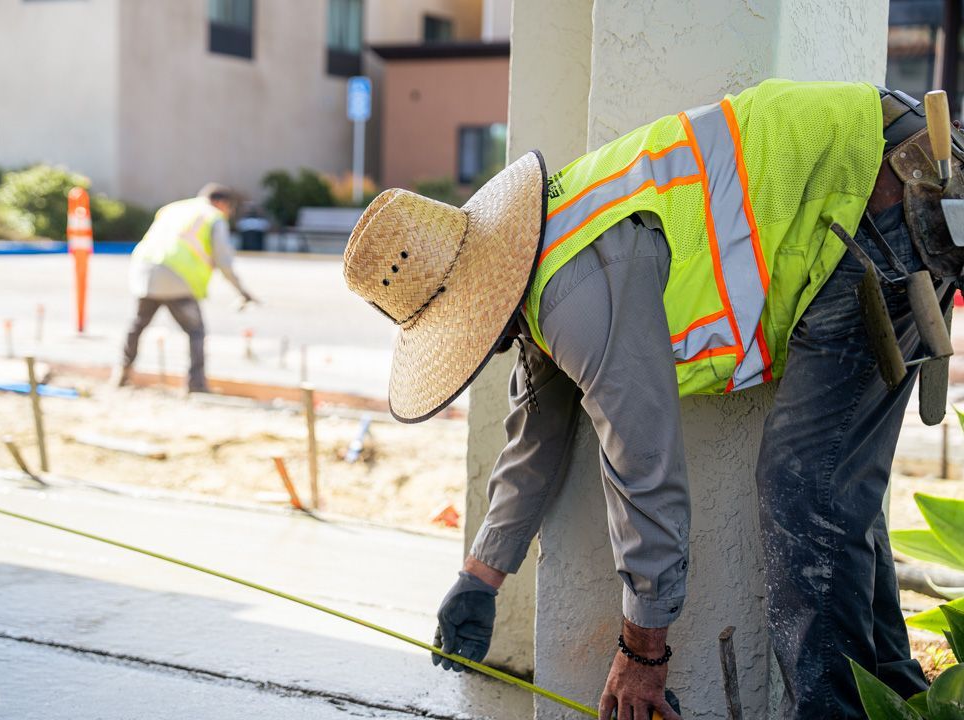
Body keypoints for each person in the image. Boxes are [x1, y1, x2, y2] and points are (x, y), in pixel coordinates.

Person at [342, 80, 959, 720]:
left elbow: (644, 463)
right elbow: (537, 432)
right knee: (834, 490)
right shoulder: (540, 258)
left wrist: (643, 652)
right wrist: (480, 576)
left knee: (807, 485)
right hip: (884, 173)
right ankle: (900, 704)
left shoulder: (573, 288)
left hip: (873, 191)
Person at [114, 183, 256, 393]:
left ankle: (122, 373)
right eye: (229, 208)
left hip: (145, 271)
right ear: (221, 203)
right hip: (178, 276)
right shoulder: (213, 217)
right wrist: (242, 291)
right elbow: (224, 260)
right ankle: (196, 384)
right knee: (195, 331)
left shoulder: (173, 208)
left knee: (138, 324)